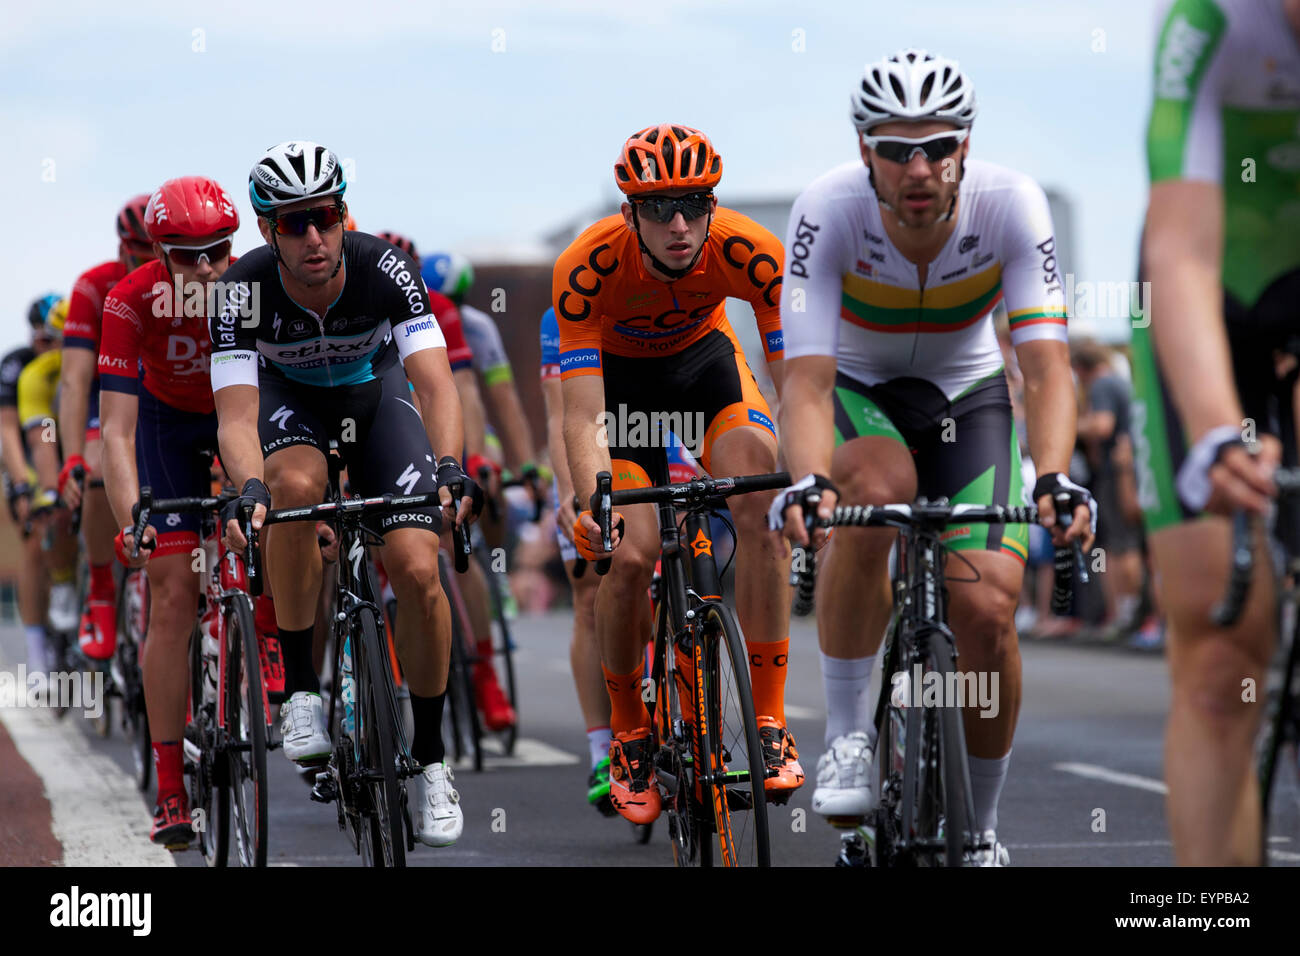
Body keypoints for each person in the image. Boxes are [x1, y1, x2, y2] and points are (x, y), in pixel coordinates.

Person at [771, 49, 1094, 865]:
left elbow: (1048, 364)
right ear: (863, 152)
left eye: (938, 145)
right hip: (860, 386)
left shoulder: (1013, 205)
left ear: (966, 147)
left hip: (968, 393)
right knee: (877, 489)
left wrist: (1054, 477)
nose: (918, 167)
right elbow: (805, 382)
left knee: (986, 614)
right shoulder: (825, 210)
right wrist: (809, 483)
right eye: (893, 148)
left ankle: (980, 827)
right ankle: (847, 736)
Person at [209, 141, 479, 847]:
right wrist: (250, 488)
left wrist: (450, 465)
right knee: (293, 489)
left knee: (419, 568)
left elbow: (436, 381)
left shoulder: (385, 268)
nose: (313, 237)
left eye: (324, 218)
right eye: (293, 224)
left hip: (375, 396)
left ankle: (431, 761)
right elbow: (236, 418)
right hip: (287, 405)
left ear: (343, 214)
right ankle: (301, 690)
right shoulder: (241, 290)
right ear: (268, 231)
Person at [557, 123, 801, 825]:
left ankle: (768, 721)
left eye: (694, 204)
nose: (679, 224)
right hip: (621, 392)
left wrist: (806, 479)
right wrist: (592, 498)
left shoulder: (752, 252)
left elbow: (796, 386)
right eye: (658, 208)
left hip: (707, 373)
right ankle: (630, 731)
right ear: (629, 213)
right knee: (627, 556)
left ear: (712, 203)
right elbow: (580, 416)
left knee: (759, 510)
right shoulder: (587, 266)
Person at [1131, 0, 1300, 865]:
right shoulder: (1209, 16)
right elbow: (1182, 256)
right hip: (1214, 289)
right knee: (1218, 652)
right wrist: (1217, 435)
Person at [100, 176, 241, 848]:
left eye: (220, 249)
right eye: (188, 255)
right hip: (163, 428)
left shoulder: (254, 286)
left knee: (278, 525)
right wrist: (134, 520)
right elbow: (117, 433)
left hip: (238, 419)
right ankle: (169, 787)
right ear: (157, 253)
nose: (208, 266)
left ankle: (264, 637)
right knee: (174, 590)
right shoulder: (128, 301)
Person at [59, 194, 158, 662]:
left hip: (167, 396)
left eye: (158, 252)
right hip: (112, 397)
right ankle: (101, 586)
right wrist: (72, 458)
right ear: (122, 250)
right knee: (98, 470)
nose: (151, 264)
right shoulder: (93, 288)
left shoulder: (191, 281)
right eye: (140, 254)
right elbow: (75, 382)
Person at [2, 296, 67, 672]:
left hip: (69, 450)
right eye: (43, 341)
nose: (51, 349)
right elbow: (8, 430)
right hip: (30, 455)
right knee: (33, 537)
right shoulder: (19, 364)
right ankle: (37, 654)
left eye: (57, 340)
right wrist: (24, 485)